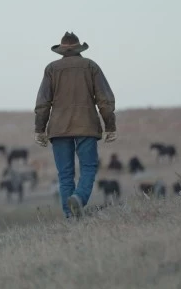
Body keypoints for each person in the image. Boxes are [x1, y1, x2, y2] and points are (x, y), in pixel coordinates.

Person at [34, 31, 116, 219]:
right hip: (86, 125)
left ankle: (70, 217)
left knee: (65, 174)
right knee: (88, 167)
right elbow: (104, 100)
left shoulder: (51, 69)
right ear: (79, 49)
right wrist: (110, 125)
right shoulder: (91, 66)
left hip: (58, 128)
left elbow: (43, 103)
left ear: (61, 50)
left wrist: (39, 129)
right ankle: (79, 198)